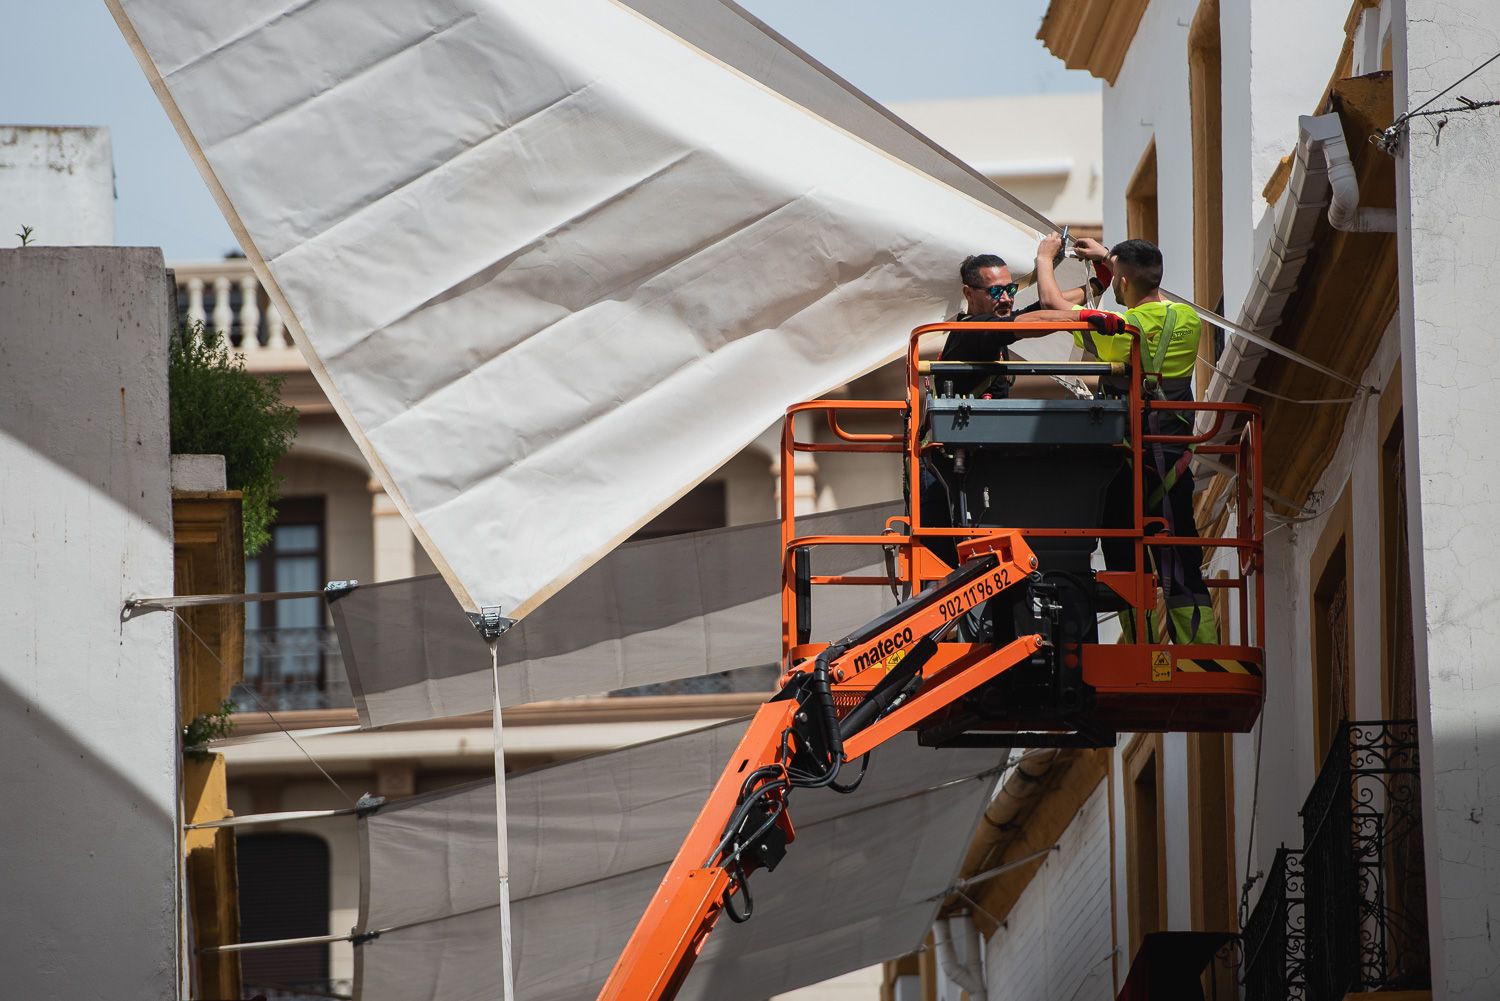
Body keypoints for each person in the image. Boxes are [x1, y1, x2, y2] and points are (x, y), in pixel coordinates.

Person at [1023, 234, 1219, 645]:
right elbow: (1142, 284)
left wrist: (1044, 257)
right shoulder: (1188, 319)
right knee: (1182, 560)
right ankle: (1201, 652)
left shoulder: (1121, 331)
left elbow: (1052, 305)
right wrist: (1109, 258)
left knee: (1126, 562)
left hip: (1128, 466)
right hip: (1174, 463)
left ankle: (1141, 649)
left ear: (1123, 281)